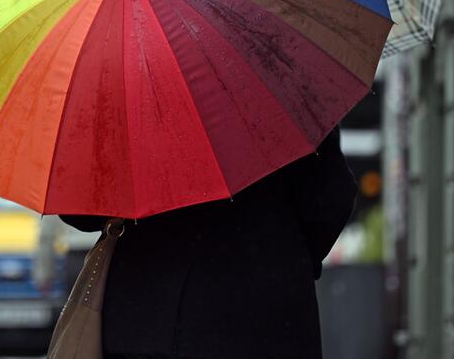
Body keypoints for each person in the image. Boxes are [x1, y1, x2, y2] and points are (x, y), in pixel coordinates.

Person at [61, 127, 356, 359]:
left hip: (143, 319)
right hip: (261, 320)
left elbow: (80, 209)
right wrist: (286, 257)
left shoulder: (122, 80)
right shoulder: (282, 75)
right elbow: (330, 201)